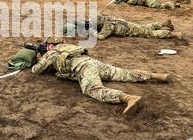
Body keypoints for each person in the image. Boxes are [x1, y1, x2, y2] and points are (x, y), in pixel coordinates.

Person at [32, 38, 170, 116]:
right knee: (122, 73)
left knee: (92, 89)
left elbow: (36, 71)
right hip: (93, 62)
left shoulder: (51, 53)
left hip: (84, 68)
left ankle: (128, 98)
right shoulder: (69, 46)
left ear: (50, 45)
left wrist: (39, 58)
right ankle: (156, 76)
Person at [63, 16, 183, 40]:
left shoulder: (107, 25)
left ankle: (173, 34)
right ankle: (163, 24)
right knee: (145, 27)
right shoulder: (106, 18)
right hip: (129, 24)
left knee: (150, 33)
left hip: (130, 30)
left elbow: (101, 37)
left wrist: (92, 31)